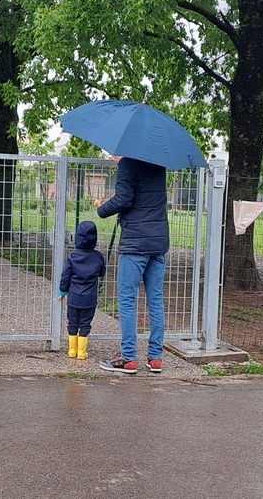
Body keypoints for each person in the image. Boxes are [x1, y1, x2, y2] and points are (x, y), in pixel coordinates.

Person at [94, 155, 168, 374]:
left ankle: (128, 357)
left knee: (127, 299)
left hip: (135, 242)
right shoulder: (159, 163)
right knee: (155, 300)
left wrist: (102, 209)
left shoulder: (128, 163)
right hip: (158, 241)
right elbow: (144, 197)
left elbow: (125, 199)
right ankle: (155, 358)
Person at [58, 220, 106, 360]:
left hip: (73, 298)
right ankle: (82, 352)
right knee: (85, 324)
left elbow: (66, 276)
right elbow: (102, 273)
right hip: (90, 300)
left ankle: (72, 350)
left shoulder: (73, 256)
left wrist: (62, 291)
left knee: (72, 323)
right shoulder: (98, 256)